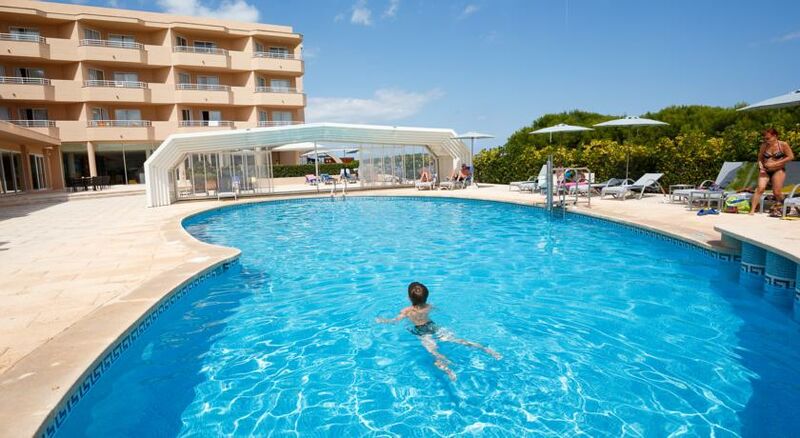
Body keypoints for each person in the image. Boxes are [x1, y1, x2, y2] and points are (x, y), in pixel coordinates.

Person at [376, 282, 501, 381]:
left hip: (421, 331)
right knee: (460, 340)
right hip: (433, 326)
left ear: (409, 297)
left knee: (434, 351)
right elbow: (438, 310)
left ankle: (447, 368)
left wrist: (383, 321)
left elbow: (395, 321)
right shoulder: (429, 306)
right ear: (426, 297)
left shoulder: (406, 311)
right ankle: (486, 349)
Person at [751, 128, 795, 215]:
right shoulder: (764, 146)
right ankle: (752, 210)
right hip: (765, 170)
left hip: (778, 170)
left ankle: (786, 206)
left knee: (777, 192)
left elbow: (791, 157)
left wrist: (776, 163)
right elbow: (760, 158)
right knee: (760, 188)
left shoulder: (783, 145)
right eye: (765, 139)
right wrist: (761, 167)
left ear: (775, 136)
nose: (766, 140)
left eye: (768, 138)